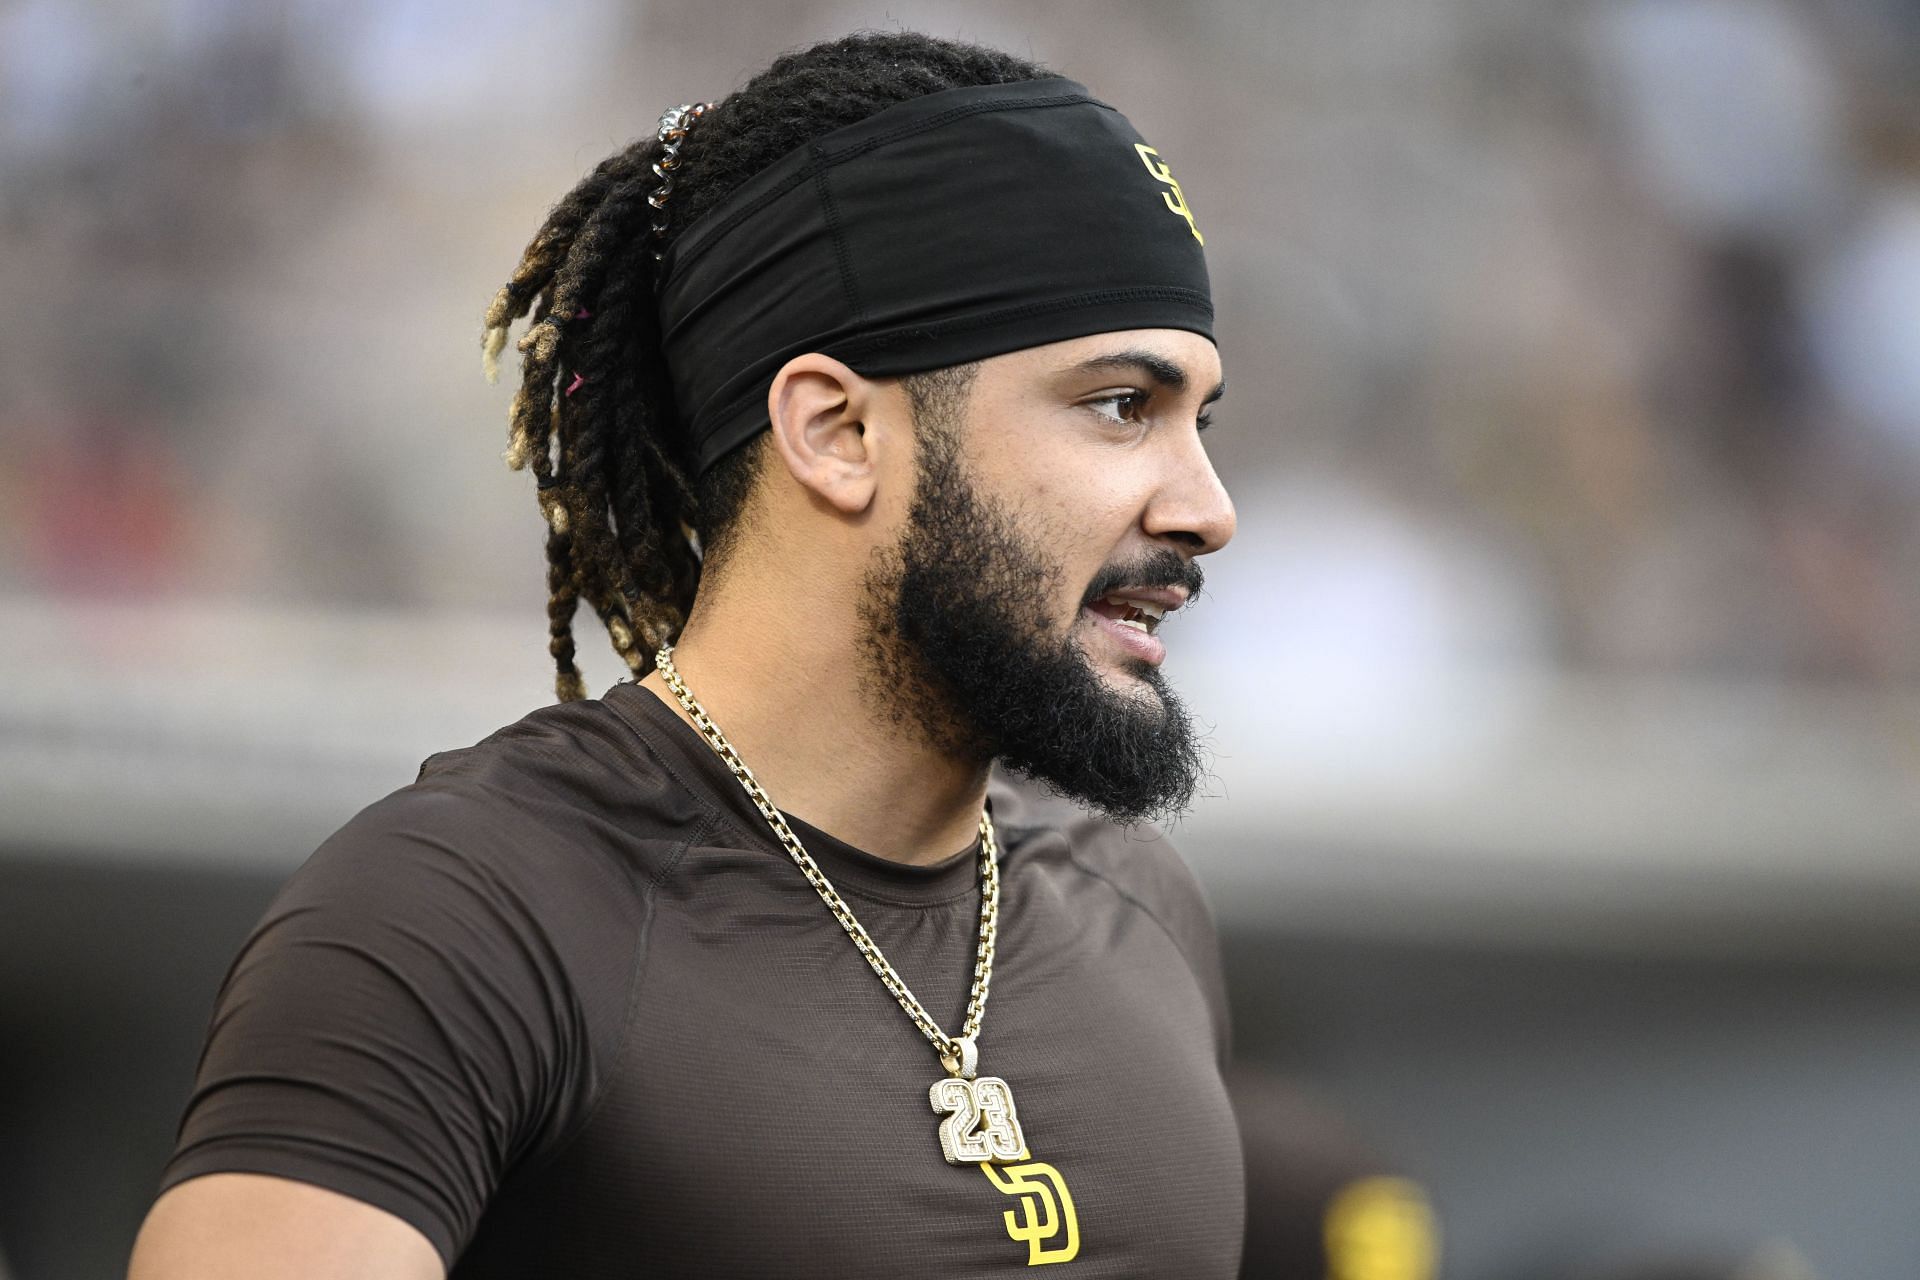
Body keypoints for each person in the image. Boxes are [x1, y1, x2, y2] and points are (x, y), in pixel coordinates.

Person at [129, 31, 1239, 1278]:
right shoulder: (466, 913)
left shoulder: (1142, 907)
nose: (1208, 506)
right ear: (835, 432)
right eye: (1117, 405)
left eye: (1198, 419)